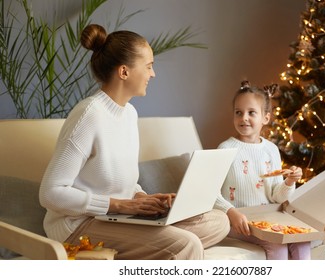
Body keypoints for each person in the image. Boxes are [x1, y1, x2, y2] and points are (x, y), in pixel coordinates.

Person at [39, 24, 229, 260]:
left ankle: (154, 243)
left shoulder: (129, 114)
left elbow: (121, 184)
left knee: (218, 221)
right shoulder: (88, 115)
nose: (153, 74)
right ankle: (164, 246)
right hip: (78, 226)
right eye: (148, 66)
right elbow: (50, 193)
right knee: (185, 244)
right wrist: (118, 206)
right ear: (124, 72)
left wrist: (143, 199)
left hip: (115, 217)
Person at [214, 80, 311, 260]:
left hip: (268, 218)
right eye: (238, 112)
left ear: (265, 118)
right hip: (240, 222)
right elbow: (212, 192)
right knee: (277, 245)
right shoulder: (225, 149)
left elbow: (277, 196)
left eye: (251, 112)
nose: (244, 118)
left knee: (302, 239)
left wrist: (289, 182)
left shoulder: (271, 150)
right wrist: (231, 212)